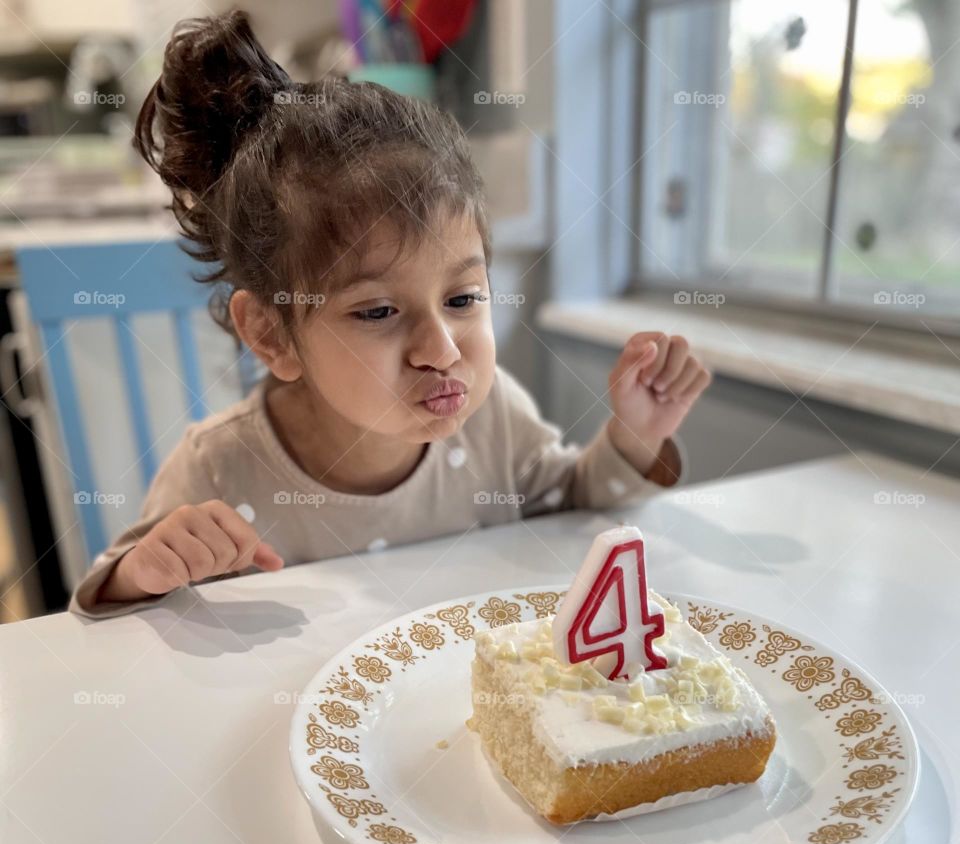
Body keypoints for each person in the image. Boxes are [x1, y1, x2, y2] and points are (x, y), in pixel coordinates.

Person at [70, 10, 712, 619]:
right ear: (271, 333)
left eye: (462, 299)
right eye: (377, 310)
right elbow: (113, 615)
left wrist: (634, 435)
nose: (442, 348)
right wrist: (143, 574)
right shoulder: (218, 468)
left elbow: (576, 510)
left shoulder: (490, 419)